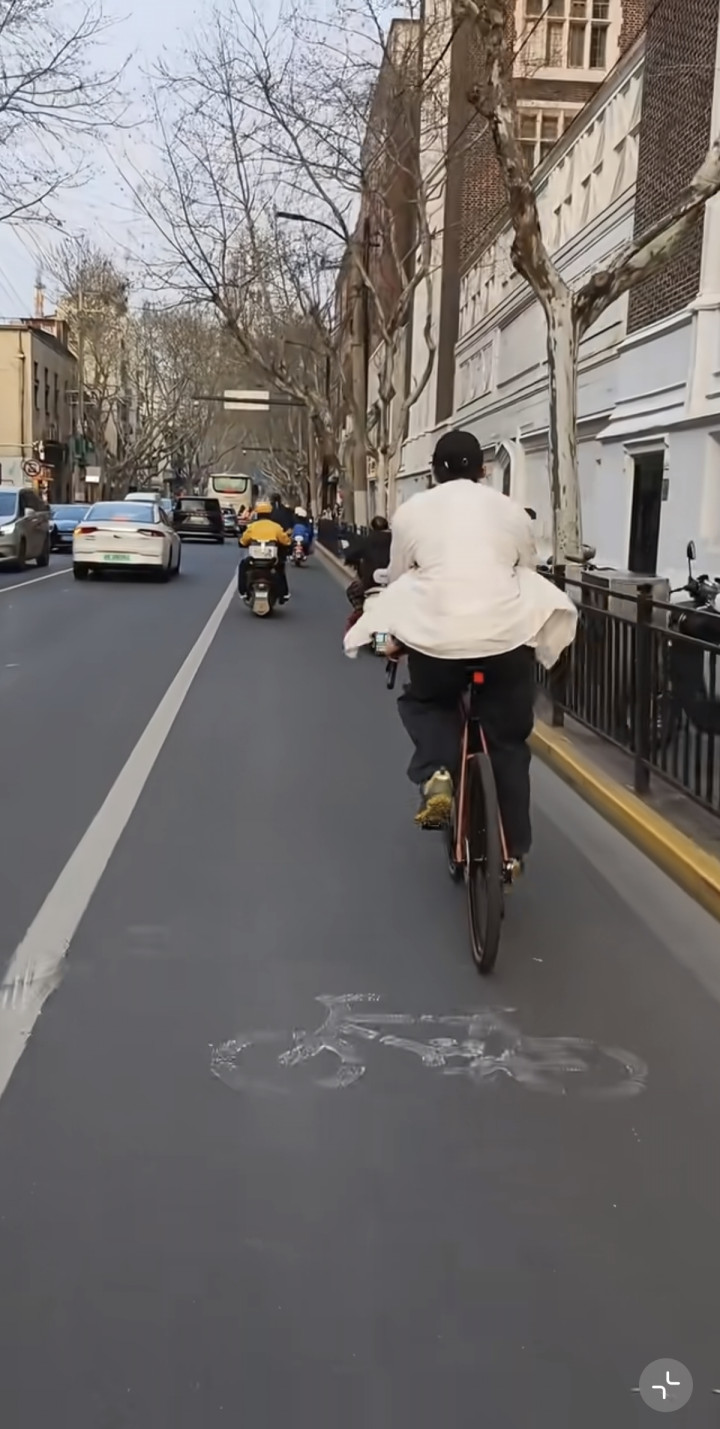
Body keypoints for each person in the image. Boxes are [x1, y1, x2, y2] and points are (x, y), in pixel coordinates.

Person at [343, 430, 577, 864]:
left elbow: (399, 578)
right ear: (483, 470)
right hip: (504, 643)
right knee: (508, 743)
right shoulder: (510, 512)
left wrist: (393, 638)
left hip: (437, 642)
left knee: (427, 702)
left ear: (433, 471)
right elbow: (525, 569)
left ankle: (437, 775)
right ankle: (512, 851)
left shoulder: (411, 512)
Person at [343, 516, 392, 628]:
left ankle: (360, 612)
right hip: (393, 583)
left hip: (370, 584)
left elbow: (350, 554)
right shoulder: (396, 540)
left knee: (352, 592)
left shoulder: (367, 540)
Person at [238, 499, 291, 602]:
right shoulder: (276, 527)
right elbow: (286, 541)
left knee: (243, 566)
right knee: (280, 568)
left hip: (254, 560)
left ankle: (243, 591)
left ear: (257, 514)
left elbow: (243, 541)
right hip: (271, 560)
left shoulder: (252, 527)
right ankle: (283, 594)